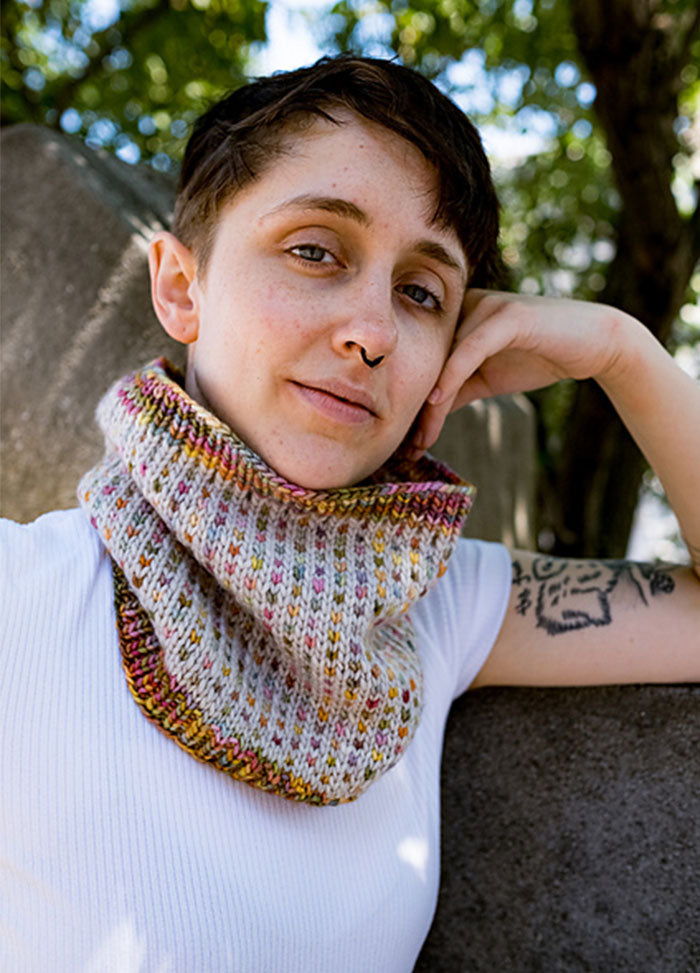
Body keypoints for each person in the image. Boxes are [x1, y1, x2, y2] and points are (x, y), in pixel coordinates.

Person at [1, 53, 698, 971]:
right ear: (180, 286)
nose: (372, 330)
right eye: (316, 250)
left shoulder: (436, 606)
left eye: (422, 293)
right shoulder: (25, 594)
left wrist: (623, 351)